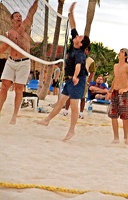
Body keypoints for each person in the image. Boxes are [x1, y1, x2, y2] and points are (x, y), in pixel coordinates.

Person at [35, 2, 90, 141]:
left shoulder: (80, 53)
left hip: (78, 79)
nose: (77, 36)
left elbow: (78, 66)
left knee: (74, 105)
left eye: (79, 37)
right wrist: (71, 12)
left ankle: (72, 131)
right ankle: (47, 120)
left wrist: (76, 76)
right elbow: (73, 26)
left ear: (81, 43)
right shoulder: (75, 42)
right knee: (60, 102)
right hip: (71, 79)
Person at [0, 0, 38, 124]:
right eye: (16, 16)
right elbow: (3, 49)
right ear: (12, 20)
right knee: (4, 87)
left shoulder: (25, 28)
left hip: (24, 62)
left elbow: (31, 13)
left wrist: (37, 2)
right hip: (11, 61)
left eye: (20, 16)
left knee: (18, 89)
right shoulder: (9, 34)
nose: (19, 18)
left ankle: (15, 115)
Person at [106, 48, 128, 145]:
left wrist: (126, 88)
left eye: (122, 52)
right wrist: (110, 91)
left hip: (123, 94)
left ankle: (125, 138)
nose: (119, 53)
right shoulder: (115, 66)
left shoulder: (127, 67)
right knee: (113, 115)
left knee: (124, 116)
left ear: (126, 56)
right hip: (115, 92)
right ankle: (116, 138)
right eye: (120, 51)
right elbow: (115, 79)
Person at [63, 46, 96, 119]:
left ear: (88, 52)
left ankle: (81, 112)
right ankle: (66, 110)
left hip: (83, 80)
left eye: (86, 49)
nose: (85, 51)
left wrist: (88, 81)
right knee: (69, 95)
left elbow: (92, 72)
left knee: (83, 97)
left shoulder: (91, 61)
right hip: (73, 78)